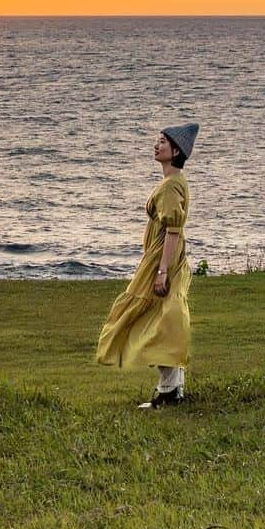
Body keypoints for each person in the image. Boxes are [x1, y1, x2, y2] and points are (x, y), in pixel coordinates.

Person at [96, 123, 199, 408]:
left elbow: (173, 230)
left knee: (156, 319)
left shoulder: (170, 186)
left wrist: (161, 269)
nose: (156, 145)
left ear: (175, 150)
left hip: (163, 258)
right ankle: (173, 389)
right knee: (167, 318)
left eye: (162, 142)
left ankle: (169, 391)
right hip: (169, 256)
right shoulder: (176, 181)